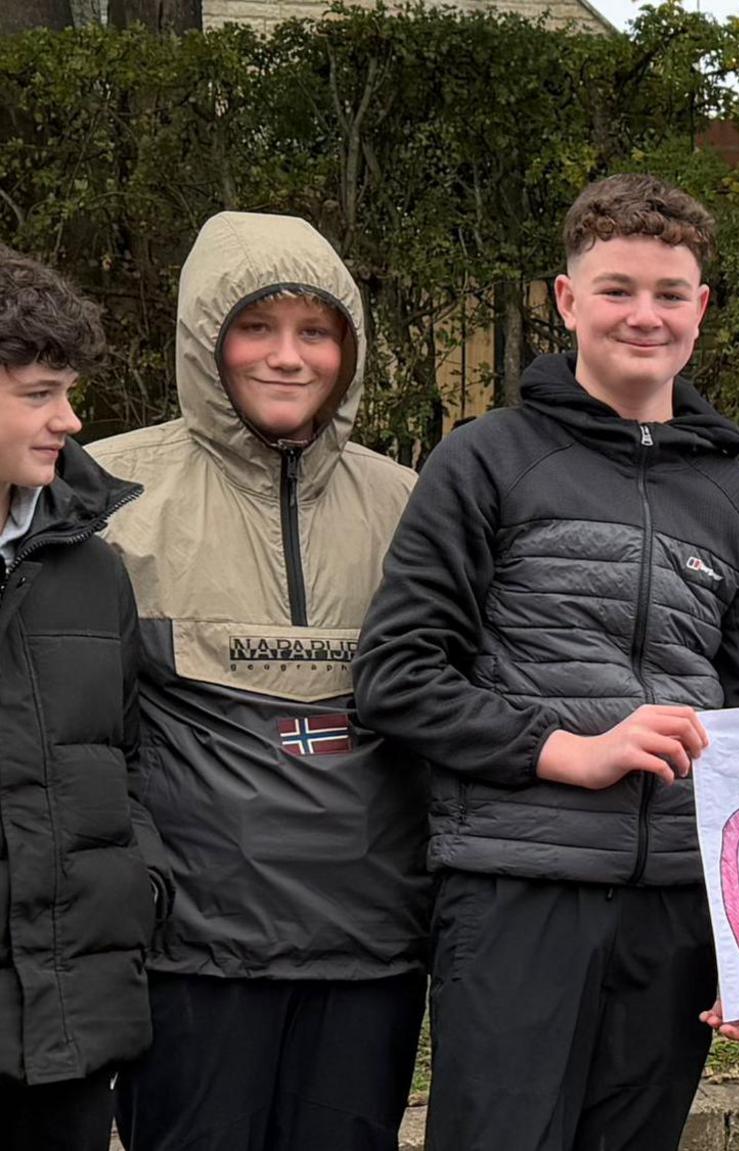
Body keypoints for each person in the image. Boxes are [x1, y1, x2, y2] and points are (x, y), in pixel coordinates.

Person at [352, 173, 739, 1151]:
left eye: (668, 292)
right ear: (566, 300)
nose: (644, 314)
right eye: (616, 288)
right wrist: (568, 749)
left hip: (675, 913)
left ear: (700, 308)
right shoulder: (486, 459)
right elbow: (396, 675)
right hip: (517, 890)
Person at [90, 213, 430, 1151]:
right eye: (257, 328)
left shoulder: (408, 501)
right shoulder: (105, 493)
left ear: (349, 348)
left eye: (315, 331)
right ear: (207, 339)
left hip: (370, 951)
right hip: (193, 952)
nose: (288, 357)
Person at [0, 248, 169, 1151]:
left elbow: (126, 754)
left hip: (71, 1029)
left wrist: (139, 889)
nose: (69, 418)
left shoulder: (93, 567)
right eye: (38, 393)